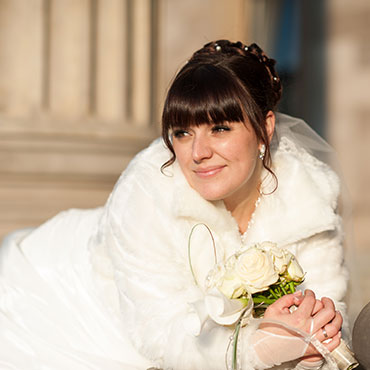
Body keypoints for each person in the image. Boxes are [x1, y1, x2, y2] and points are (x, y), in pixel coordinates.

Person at [0, 40, 348, 370]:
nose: (198, 154)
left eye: (220, 129)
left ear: (265, 128)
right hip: (64, 301)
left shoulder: (308, 197)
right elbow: (160, 335)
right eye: (182, 133)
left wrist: (311, 347)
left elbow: (328, 314)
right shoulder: (147, 191)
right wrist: (257, 348)